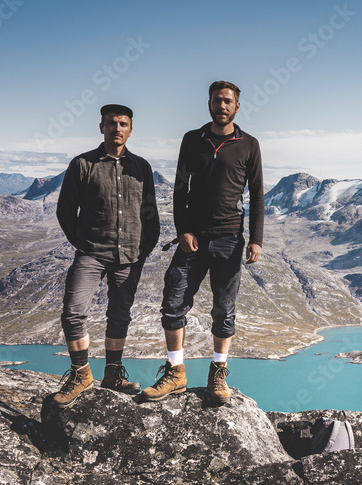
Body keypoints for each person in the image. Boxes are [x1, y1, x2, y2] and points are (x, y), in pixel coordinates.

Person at [141, 81, 264, 404]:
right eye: (216, 100)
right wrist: (183, 231)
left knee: (224, 310)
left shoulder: (248, 145)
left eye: (227, 101)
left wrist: (256, 239)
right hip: (193, 238)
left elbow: (257, 195)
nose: (221, 106)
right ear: (208, 104)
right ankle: (175, 372)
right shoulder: (192, 141)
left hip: (229, 239)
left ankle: (218, 374)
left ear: (237, 106)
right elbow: (180, 188)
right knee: (173, 303)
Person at [50, 103, 160, 407]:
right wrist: (83, 243)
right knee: (73, 312)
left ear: (131, 129)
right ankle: (81, 373)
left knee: (120, 315)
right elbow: (65, 210)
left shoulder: (141, 167)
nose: (117, 128)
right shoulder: (83, 164)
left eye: (123, 124)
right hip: (91, 253)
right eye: (111, 123)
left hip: (130, 255)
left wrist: (143, 249)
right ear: (102, 127)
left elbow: (150, 213)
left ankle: (112, 373)